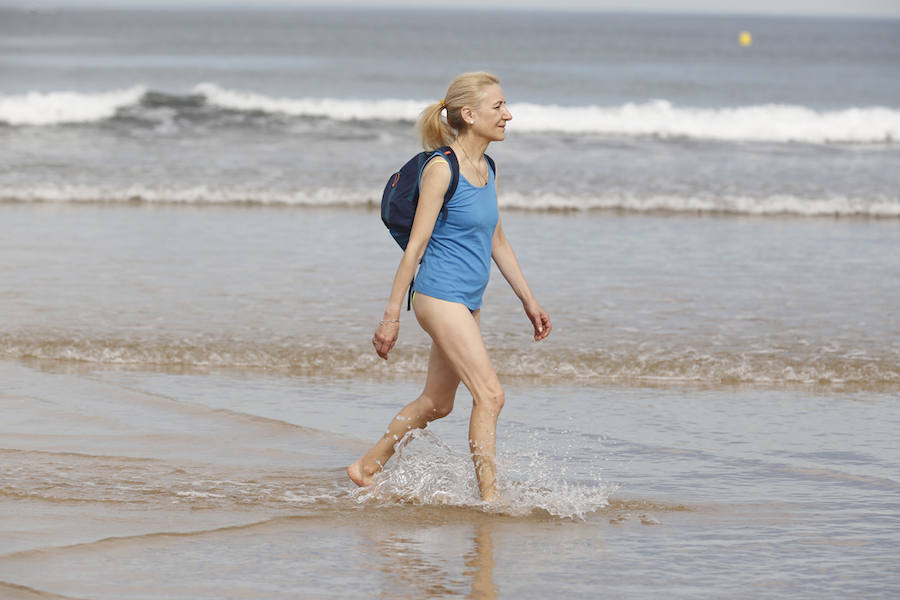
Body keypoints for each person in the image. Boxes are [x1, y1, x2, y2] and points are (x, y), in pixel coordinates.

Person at [347, 71, 551, 502]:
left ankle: (367, 466)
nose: (507, 115)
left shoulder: (486, 167)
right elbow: (415, 246)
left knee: (438, 404)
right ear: (469, 114)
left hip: (467, 299)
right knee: (490, 395)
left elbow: (496, 238)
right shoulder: (443, 168)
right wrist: (389, 318)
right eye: (498, 107)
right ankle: (490, 500)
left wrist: (529, 301)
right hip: (438, 296)